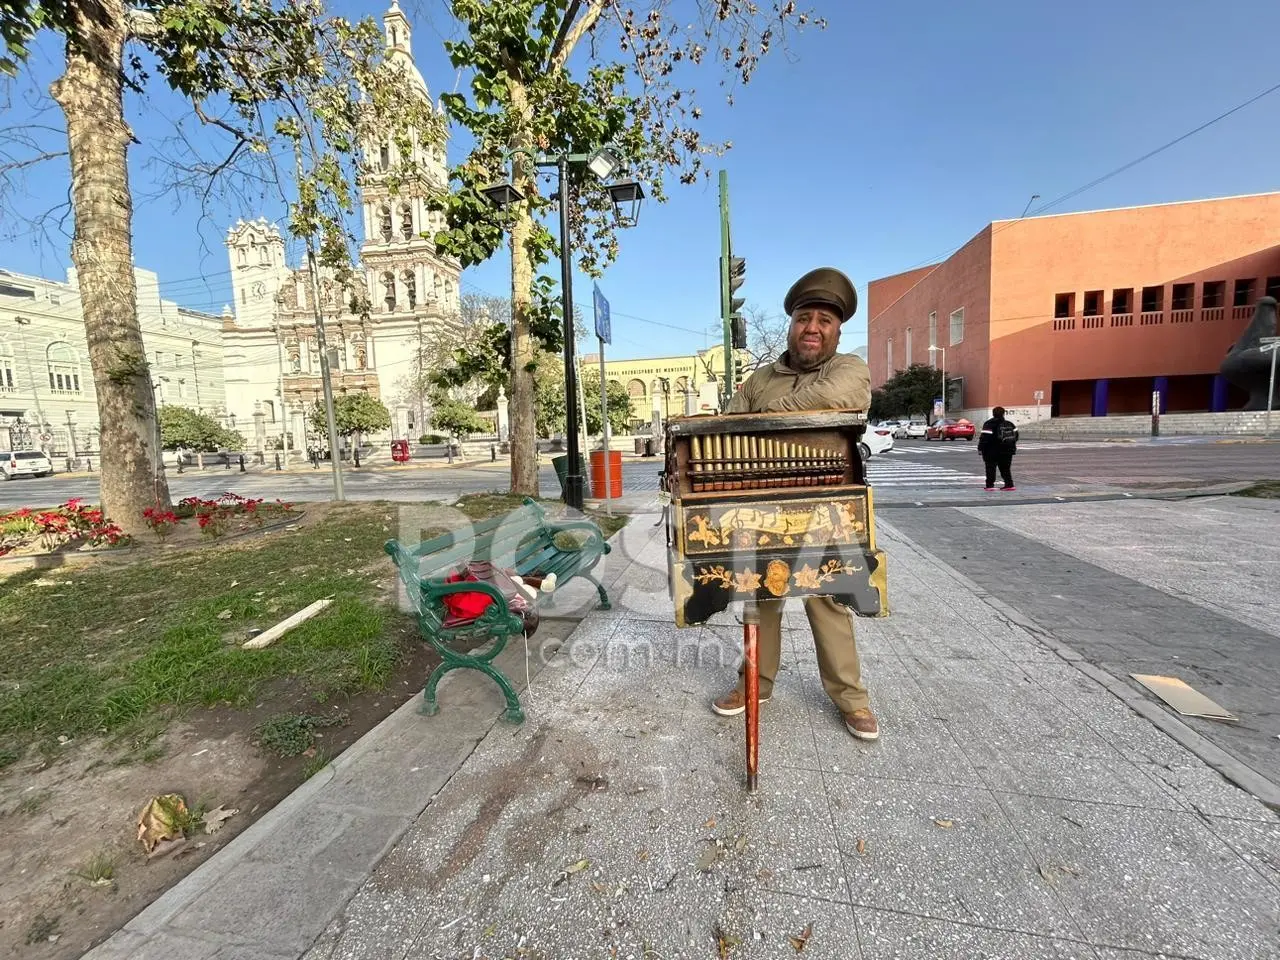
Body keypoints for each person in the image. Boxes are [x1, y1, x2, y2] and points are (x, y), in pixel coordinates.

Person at [710, 266, 880, 741]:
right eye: (805, 317)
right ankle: (756, 684)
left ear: (837, 329)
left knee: (829, 599)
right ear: (791, 323)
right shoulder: (762, 377)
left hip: (825, 507)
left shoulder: (850, 368)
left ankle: (851, 698)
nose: (813, 328)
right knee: (760, 594)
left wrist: (763, 416)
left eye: (824, 320)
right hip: (762, 506)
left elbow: (837, 399)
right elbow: (728, 424)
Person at [978, 406, 1018, 491]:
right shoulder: (1010, 424)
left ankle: (990, 485)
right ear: (1004, 413)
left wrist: (980, 448)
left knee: (990, 468)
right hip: (1007, 451)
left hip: (991, 451)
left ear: (993, 414)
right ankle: (1009, 484)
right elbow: (1016, 436)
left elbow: (984, 438)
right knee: (1006, 468)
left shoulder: (989, 424)